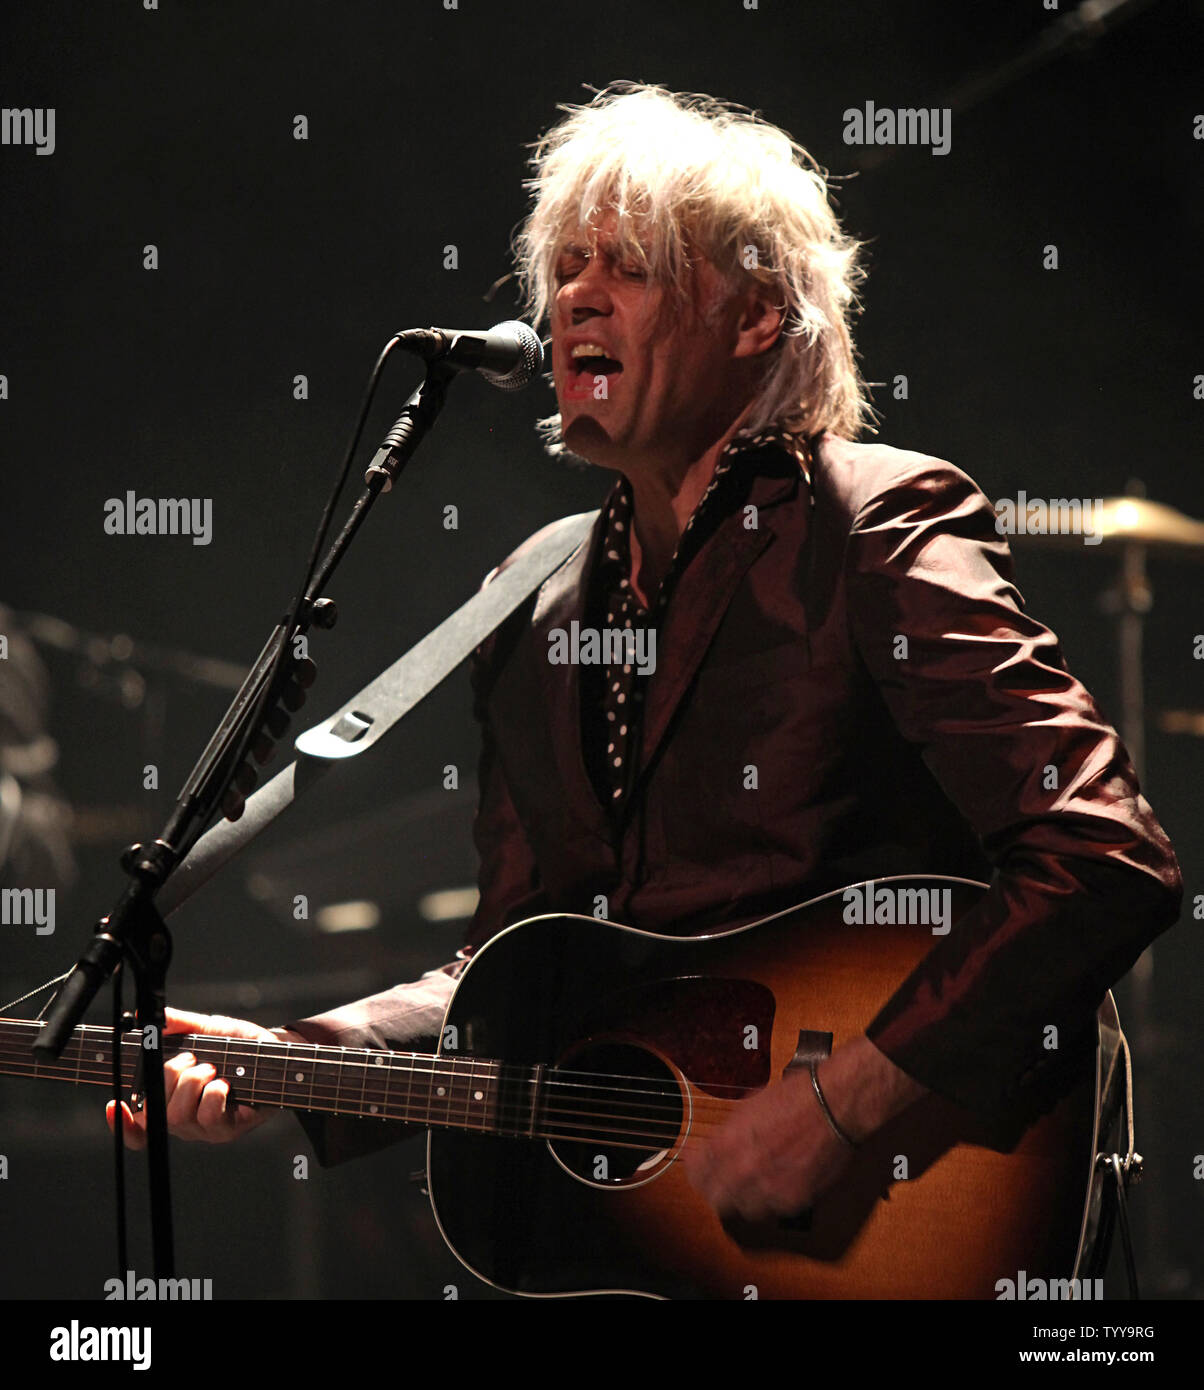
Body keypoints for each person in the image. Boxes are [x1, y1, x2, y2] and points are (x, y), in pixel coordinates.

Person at [107, 82, 1181, 1230]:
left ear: (756, 313)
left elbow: (1102, 857)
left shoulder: (871, 524)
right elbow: (516, 964)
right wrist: (290, 1058)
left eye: (627, 265)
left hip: (912, 1211)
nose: (573, 296)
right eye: (563, 266)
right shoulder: (536, 591)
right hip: (658, 1248)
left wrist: (842, 1105)